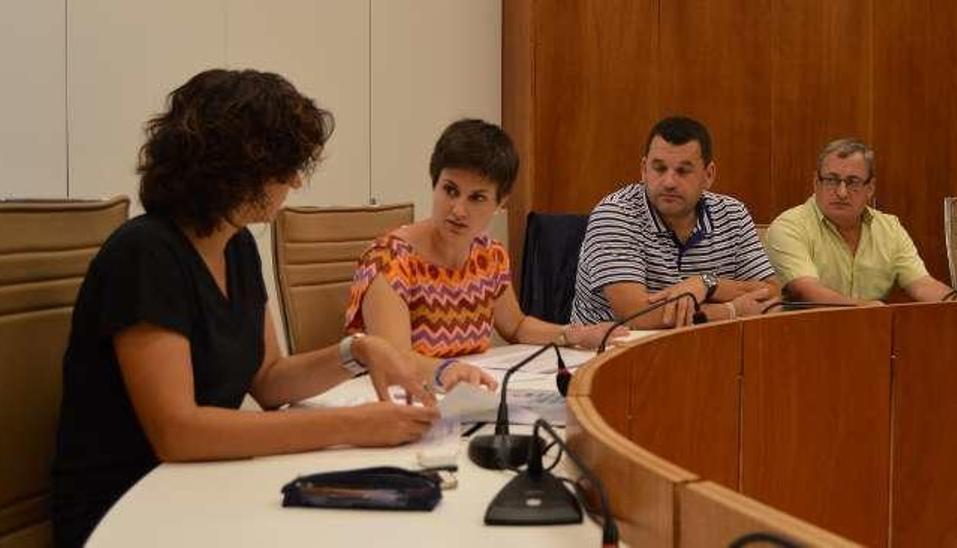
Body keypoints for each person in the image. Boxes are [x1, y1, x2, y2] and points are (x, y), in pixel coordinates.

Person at [52, 69, 453, 547]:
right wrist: (350, 425)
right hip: (124, 509)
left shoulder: (237, 245)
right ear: (232, 170)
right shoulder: (145, 254)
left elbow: (267, 379)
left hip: (200, 487)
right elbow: (178, 432)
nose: (296, 181)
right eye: (285, 167)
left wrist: (358, 351)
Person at [344, 119, 624, 370]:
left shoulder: (488, 255)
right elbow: (395, 360)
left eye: (476, 198)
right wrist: (450, 374)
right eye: (450, 190)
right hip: (395, 401)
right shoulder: (389, 260)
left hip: (462, 396)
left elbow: (516, 326)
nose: (458, 210)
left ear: (500, 203)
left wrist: (573, 334)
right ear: (434, 183)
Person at [571, 116, 780, 328]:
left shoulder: (732, 214)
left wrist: (707, 283)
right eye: (659, 169)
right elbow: (636, 316)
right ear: (644, 170)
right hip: (611, 353)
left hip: (701, 350)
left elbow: (772, 296)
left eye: (683, 171)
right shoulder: (616, 214)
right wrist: (729, 311)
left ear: (708, 175)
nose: (669, 182)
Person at [766, 138, 957, 304]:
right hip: (804, 340)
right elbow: (808, 291)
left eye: (853, 182)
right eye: (831, 180)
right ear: (816, 182)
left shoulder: (889, 227)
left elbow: (921, 284)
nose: (842, 192)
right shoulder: (789, 226)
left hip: (876, 338)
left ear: (870, 188)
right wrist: (864, 308)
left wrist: (956, 300)